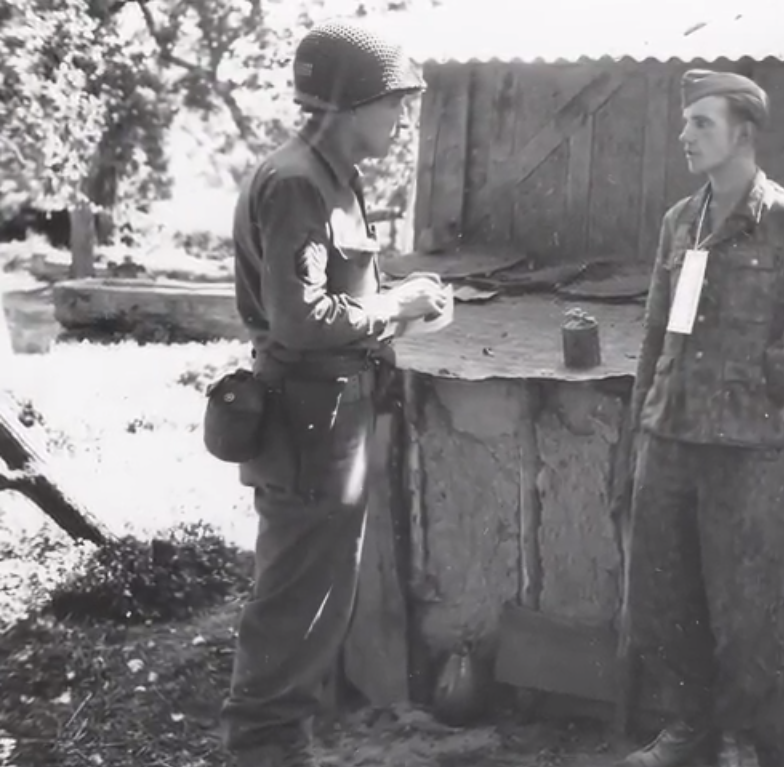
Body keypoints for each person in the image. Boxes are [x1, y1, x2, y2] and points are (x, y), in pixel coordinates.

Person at [620, 69, 784, 767]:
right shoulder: (680, 220)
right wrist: (638, 424)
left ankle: (738, 736)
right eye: (684, 122)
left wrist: (781, 367)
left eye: (700, 122)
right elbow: (654, 331)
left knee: (743, 600)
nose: (684, 134)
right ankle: (686, 728)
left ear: (743, 131)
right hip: (669, 433)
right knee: (663, 590)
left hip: (744, 441)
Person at [220, 18, 451, 767]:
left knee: (314, 605)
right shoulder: (296, 183)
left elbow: (335, 299)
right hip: (306, 425)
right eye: (393, 103)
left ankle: (284, 747)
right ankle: (263, 752)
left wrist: (402, 301)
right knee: (294, 606)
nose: (402, 118)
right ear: (349, 104)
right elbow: (303, 317)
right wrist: (399, 307)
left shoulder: (328, 176)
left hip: (329, 423)